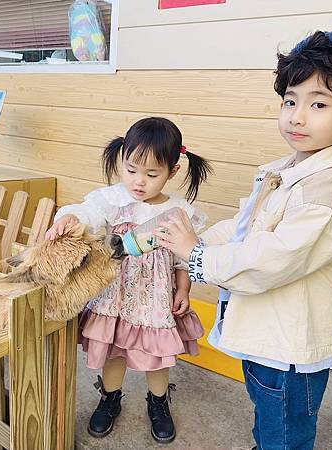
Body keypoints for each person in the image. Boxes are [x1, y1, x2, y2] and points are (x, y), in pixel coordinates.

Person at [156, 22, 332, 449]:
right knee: (269, 417)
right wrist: (197, 239)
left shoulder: (326, 186)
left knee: (285, 428)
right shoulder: (285, 169)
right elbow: (247, 227)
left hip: (288, 347)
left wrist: (198, 257)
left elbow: (275, 257)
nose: (297, 116)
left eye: (319, 104)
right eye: (290, 100)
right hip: (265, 335)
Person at [45, 117, 211, 443]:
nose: (139, 181)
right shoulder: (111, 200)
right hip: (113, 296)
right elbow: (86, 212)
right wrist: (68, 218)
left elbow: (183, 257)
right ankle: (109, 398)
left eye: (152, 174)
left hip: (154, 299)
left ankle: (158, 402)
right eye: (132, 169)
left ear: (172, 171)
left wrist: (183, 288)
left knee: (156, 357)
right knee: (114, 351)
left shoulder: (179, 211)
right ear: (122, 158)